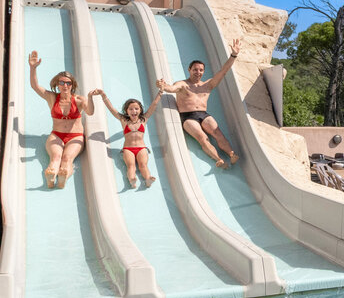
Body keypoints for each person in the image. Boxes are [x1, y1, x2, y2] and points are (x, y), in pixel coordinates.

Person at [156, 38, 242, 168]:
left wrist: (233, 55)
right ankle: (218, 159)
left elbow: (223, 71)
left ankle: (231, 154)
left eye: (201, 70)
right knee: (202, 137)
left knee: (217, 133)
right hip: (187, 117)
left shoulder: (208, 85)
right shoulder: (182, 84)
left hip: (203, 114)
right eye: (195, 70)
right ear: (189, 70)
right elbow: (171, 88)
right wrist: (162, 86)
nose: (198, 72)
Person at [29, 51, 95, 189]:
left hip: (75, 137)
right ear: (57, 84)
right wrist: (33, 68)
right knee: (56, 158)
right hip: (56, 135)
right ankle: (51, 175)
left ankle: (61, 177)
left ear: (72, 85)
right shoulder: (52, 98)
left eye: (68, 83)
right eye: (62, 82)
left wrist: (90, 99)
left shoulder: (78, 99)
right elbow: (35, 87)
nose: (65, 85)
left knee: (67, 159)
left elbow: (90, 112)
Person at [92, 89, 161, 188]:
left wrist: (160, 92)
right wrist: (103, 95)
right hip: (128, 149)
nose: (134, 111)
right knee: (131, 166)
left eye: (136, 109)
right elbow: (112, 109)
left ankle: (148, 179)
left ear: (140, 110)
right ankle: (132, 180)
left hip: (141, 148)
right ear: (126, 111)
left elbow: (154, 105)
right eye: (131, 109)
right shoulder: (124, 120)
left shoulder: (143, 119)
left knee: (143, 165)